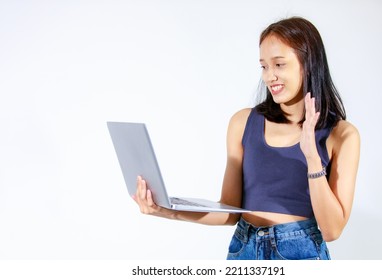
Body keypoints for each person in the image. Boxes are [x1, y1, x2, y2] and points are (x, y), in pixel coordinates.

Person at [132, 16, 360, 260]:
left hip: (300, 253)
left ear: (309, 64)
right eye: (264, 66)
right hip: (245, 249)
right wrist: (167, 210)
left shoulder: (342, 135)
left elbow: (332, 230)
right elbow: (229, 212)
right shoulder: (243, 123)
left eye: (279, 64)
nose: (269, 76)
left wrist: (313, 158)